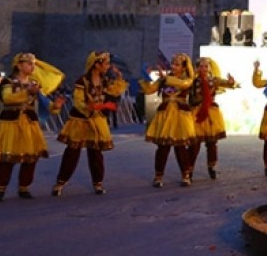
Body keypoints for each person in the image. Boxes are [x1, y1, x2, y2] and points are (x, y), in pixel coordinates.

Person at [0, 53, 65, 201]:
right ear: (19, 65)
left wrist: (55, 106)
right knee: (8, 156)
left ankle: (24, 187)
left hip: (29, 122)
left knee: (31, 156)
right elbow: (7, 98)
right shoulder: (9, 81)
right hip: (11, 122)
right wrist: (26, 92)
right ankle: (0, 188)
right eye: (29, 64)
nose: (32, 67)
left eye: (33, 64)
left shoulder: (34, 83)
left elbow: (44, 102)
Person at [53, 51, 128, 196]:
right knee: (72, 152)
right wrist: (98, 107)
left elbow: (116, 90)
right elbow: (79, 102)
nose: (108, 66)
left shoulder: (104, 80)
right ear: (96, 64)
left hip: (96, 120)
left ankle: (98, 183)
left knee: (96, 152)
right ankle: (60, 183)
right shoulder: (82, 81)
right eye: (105, 63)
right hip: (81, 120)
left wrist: (119, 77)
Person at [139, 53, 196, 187]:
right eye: (173, 63)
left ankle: (185, 175)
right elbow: (150, 90)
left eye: (177, 64)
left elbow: (184, 84)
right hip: (165, 115)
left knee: (180, 146)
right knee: (163, 147)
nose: (173, 66)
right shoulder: (165, 78)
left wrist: (167, 78)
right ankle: (158, 176)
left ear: (183, 67)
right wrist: (146, 77)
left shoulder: (187, 79)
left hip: (179, 115)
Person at [188, 57, 236, 180]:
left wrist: (231, 82)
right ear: (197, 68)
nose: (204, 68)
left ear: (209, 68)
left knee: (212, 143)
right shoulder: (192, 81)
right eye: (201, 66)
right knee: (195, 143)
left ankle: (212, 167)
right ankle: (189, 169)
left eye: (206, 66)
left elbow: (227, 83)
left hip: (210, 113)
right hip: (196, 112)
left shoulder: (213, 80)